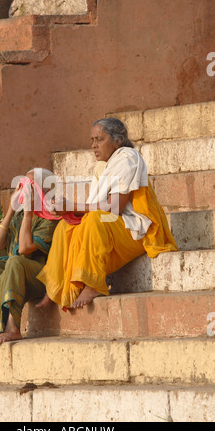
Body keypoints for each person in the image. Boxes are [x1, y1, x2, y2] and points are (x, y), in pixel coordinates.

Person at [36, 118, 178, 310]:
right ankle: (54, 289)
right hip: (115, 228)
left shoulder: (128, 157)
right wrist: (68, 210)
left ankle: (93, 283)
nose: (94, 145)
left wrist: (72, 204)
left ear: (117, 140)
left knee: (95, 219)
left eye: (99, 139)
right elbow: (96, 205)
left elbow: (114, 207)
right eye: (92, 140)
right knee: (65, 226)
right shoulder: (102, 165)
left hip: (137, 230)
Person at [0, 169, 59, 348]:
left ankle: (13, 327)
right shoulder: (18, 216)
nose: (24, 191)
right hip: (15, 272)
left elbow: (24, 249)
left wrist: (29, 213)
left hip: (42, 276)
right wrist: (11, 210)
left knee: (15, 261)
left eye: (30, 186)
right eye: (22, 186)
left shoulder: (51, 217)